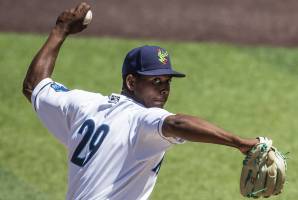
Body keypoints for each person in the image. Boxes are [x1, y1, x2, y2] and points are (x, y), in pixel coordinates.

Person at [22, 2, 258, 200]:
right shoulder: (142, 119)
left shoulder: (83, 105)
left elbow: (34, 86)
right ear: (131, 82)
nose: (164, 89)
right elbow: (177, 124)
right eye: (156, 81)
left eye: (167, 81)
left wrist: (60, 30)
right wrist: (238, 142)